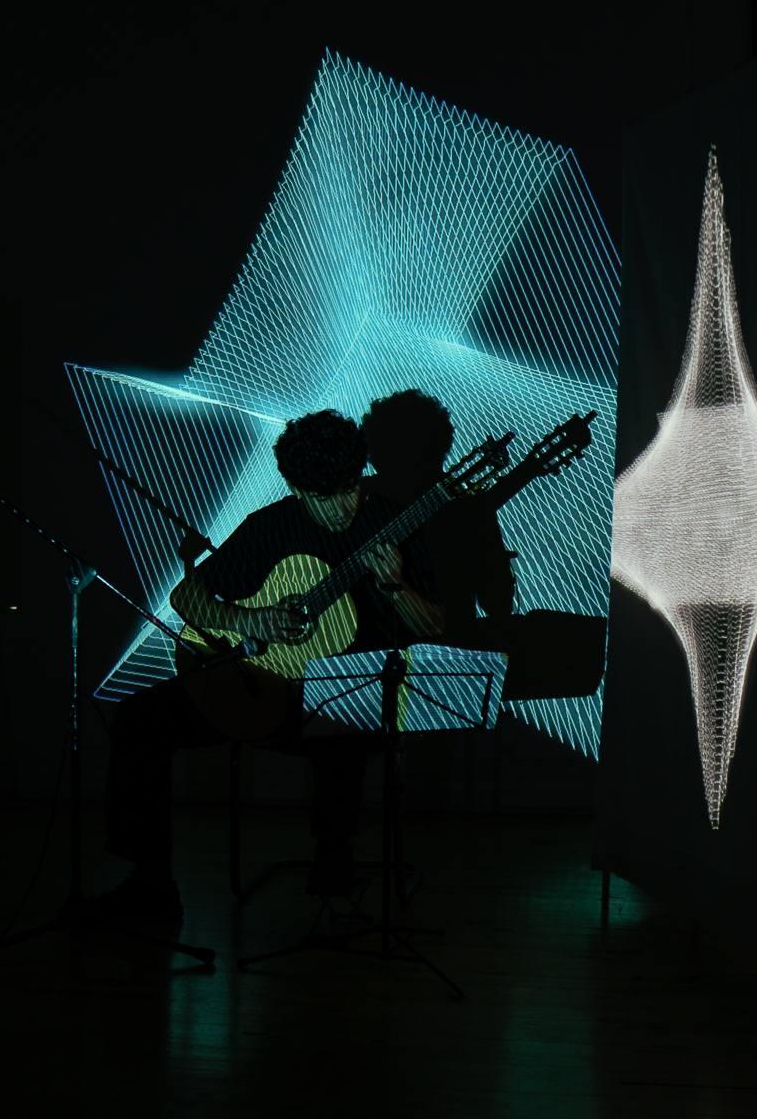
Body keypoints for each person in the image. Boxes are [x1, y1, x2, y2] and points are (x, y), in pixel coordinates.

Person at [99, 410, 443, 924]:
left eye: (351, 488)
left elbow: (435, 626)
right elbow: (187, 595)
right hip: (258, 687)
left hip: (348, 699)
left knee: (341, 715)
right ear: (297, 488)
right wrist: (248, 619)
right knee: (136, 719)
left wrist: (395, 586)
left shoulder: (393, 523)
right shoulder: (272, 526)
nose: (343, 508)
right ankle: (151, 882)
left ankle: (334, 863)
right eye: (325, 497)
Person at [361, 389, 515, 628]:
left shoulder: (357, 499)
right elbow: (498, 603)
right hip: (451, 644)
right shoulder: (469, 506)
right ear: (440, 443)